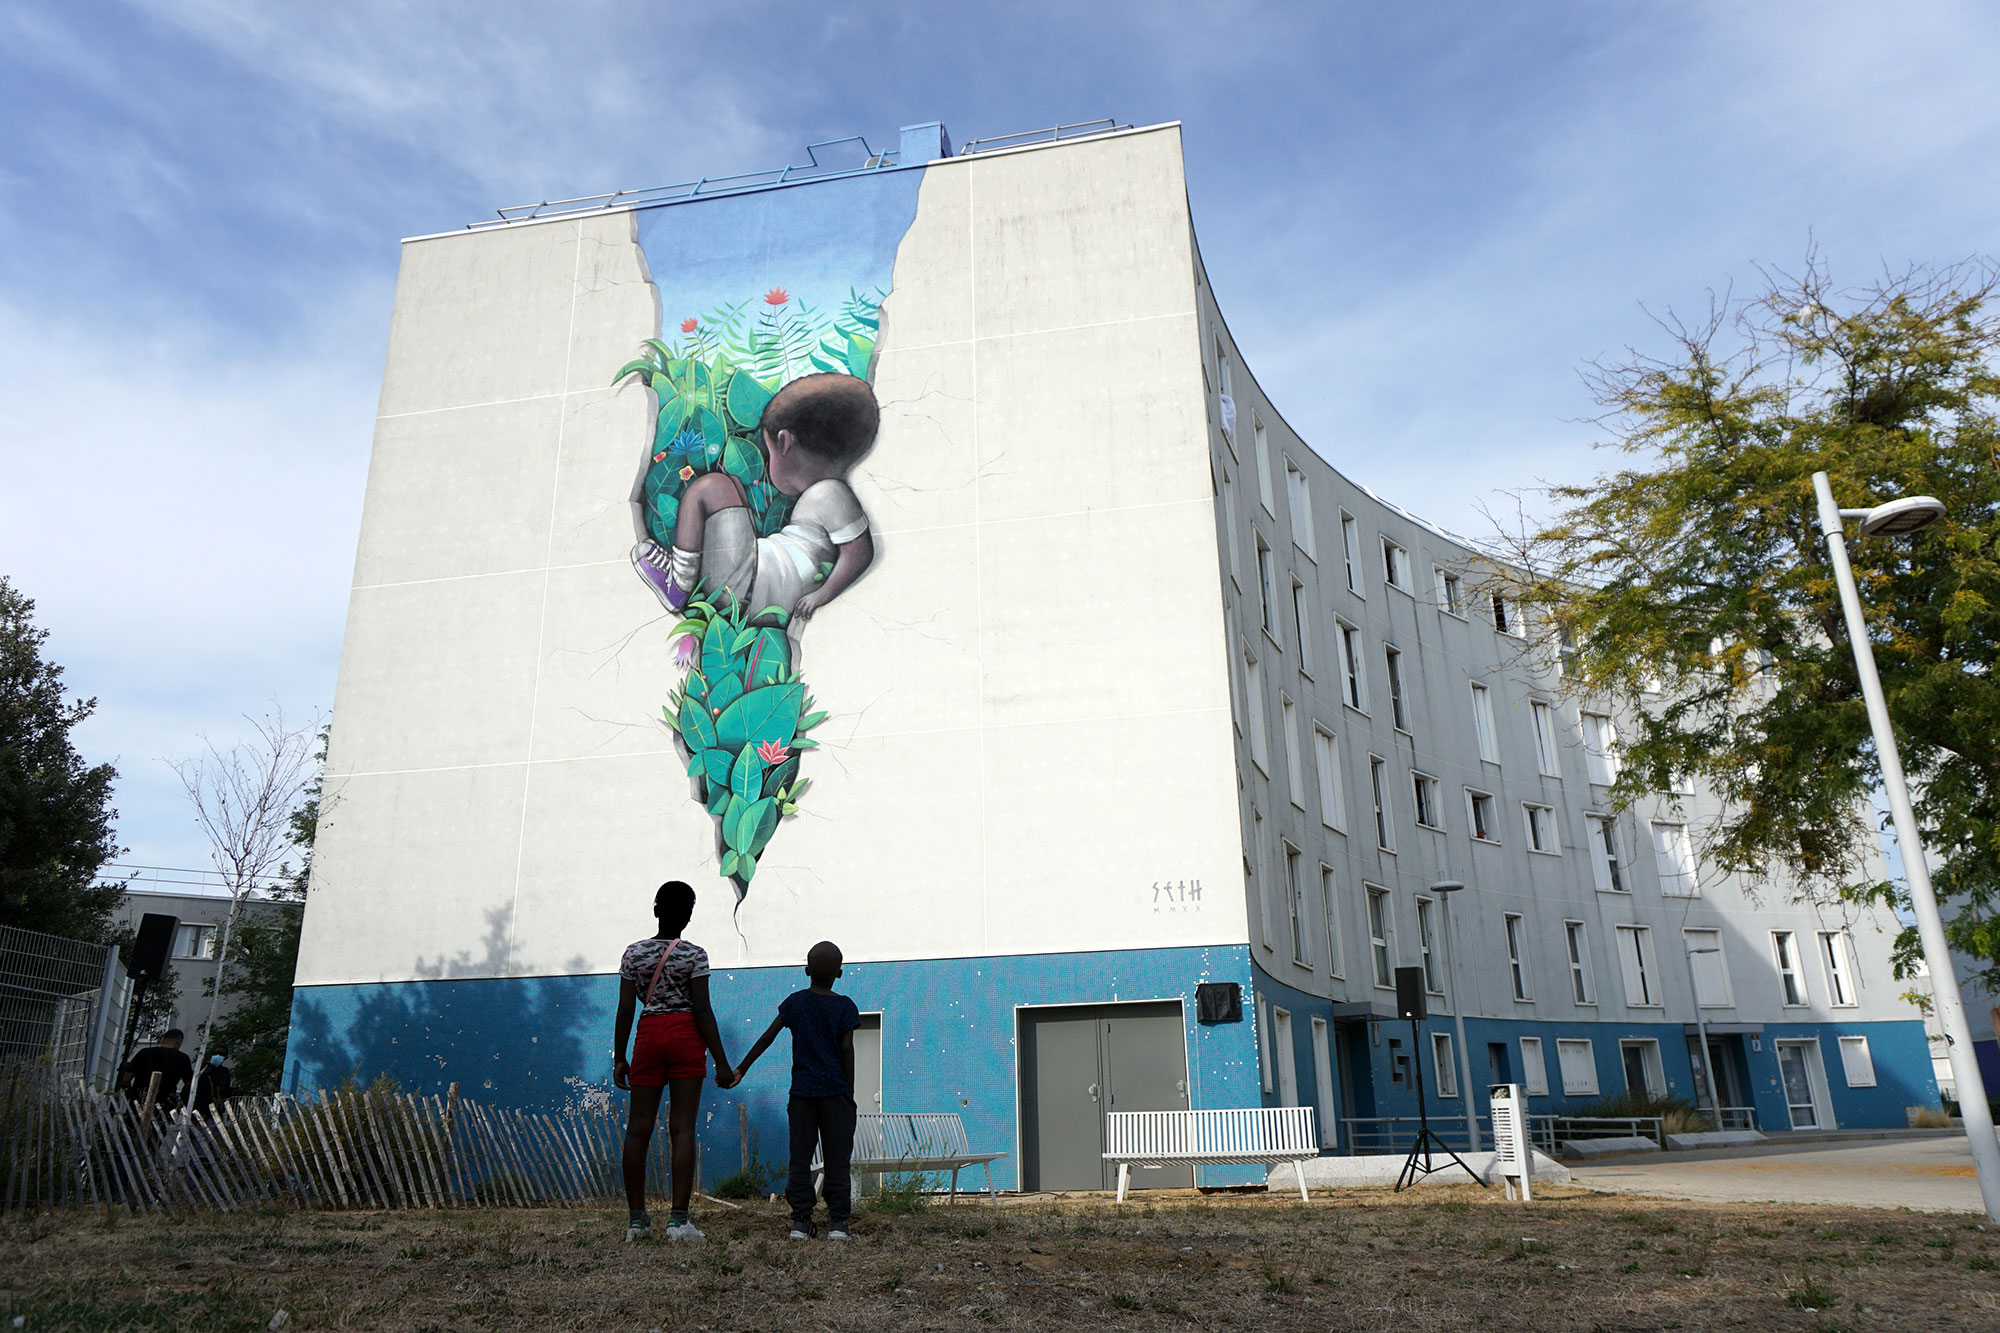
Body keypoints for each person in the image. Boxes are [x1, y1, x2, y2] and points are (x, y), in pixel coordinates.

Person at [632, 373, 878, 621]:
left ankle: (679, 584)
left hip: (748, 588)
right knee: (734, 487)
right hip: (754, 584)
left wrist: (823, 594)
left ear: (784, 442)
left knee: (712, 487)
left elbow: (859, 552)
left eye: (769, 454)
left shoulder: (830, 493)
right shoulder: (826, 493)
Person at [612, 880, 735, 1243]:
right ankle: (679, 1222)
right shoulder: (695, 955)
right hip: (684, 1037)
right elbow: (702, 1010)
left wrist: (620, 1057)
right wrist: (722, 1062)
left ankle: (637, 1222)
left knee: (638, 1130)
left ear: (655, 909)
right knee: (682, 1128)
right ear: (689, 914)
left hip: (648, 1037)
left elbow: (624, 1009)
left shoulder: (633, 954)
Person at [732, 940, 860, 1241]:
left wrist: (741, 1069)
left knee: (800, 1159)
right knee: (837, 1159)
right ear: (839, 974)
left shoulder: (796, 1002)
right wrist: (849, 1094)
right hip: (835, 1094)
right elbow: (847, 1049)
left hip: (803, 1094)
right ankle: (838, 1223)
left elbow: (767, 1037)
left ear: (806, 971)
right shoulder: (845, 1006)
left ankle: (801, 1222)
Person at [118, 1028, 193, 1113]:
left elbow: (125, 1080)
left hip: (139, 1103)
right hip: (164, 1105)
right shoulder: (182, 1058)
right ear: (179, 1041)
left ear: (164, 1039)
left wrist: (130, 1094)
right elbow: (189, 1084)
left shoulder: (144, 1053)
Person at [194, 1046, 233, 1117]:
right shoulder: (204, 1069)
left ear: (226, 1057)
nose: (217, 1056)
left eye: (221, 1054)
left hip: (217, 1109)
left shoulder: (224, 1072)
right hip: (200, 1109)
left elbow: (226, 1091)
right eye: (215, 1053)